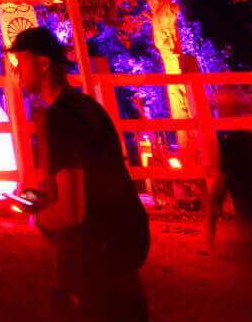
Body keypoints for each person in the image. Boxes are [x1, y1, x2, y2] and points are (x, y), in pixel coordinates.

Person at [9, 26, 150, 322]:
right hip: (123, 238)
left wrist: (33, 217)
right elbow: (78, 182)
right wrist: (27, 201)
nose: (16, 73)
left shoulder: (62, 116)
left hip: (98, 251)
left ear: (44, 64)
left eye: (19, 63)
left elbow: (73, 210)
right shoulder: (86, 106)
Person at [204, 86, 252, 318]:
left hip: (248, 204)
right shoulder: (249, 137)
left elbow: (223, 178)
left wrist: (211, 215)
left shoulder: (234, 141)